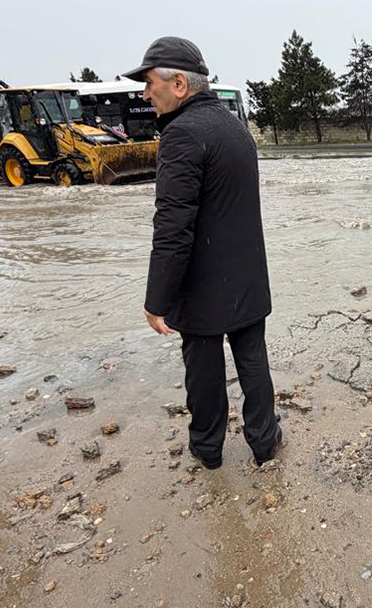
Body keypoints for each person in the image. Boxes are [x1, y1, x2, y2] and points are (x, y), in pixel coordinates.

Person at [123, 36, 281, 469]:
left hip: (204, 286)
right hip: (248, 277)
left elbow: (172, 227)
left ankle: (208, 449)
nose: (143, 92)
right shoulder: (235, 128)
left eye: (148, 82)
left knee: (205, 374)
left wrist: (157, 300)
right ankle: (265, 442)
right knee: (253, 364)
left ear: (178, 84)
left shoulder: (181, 135)